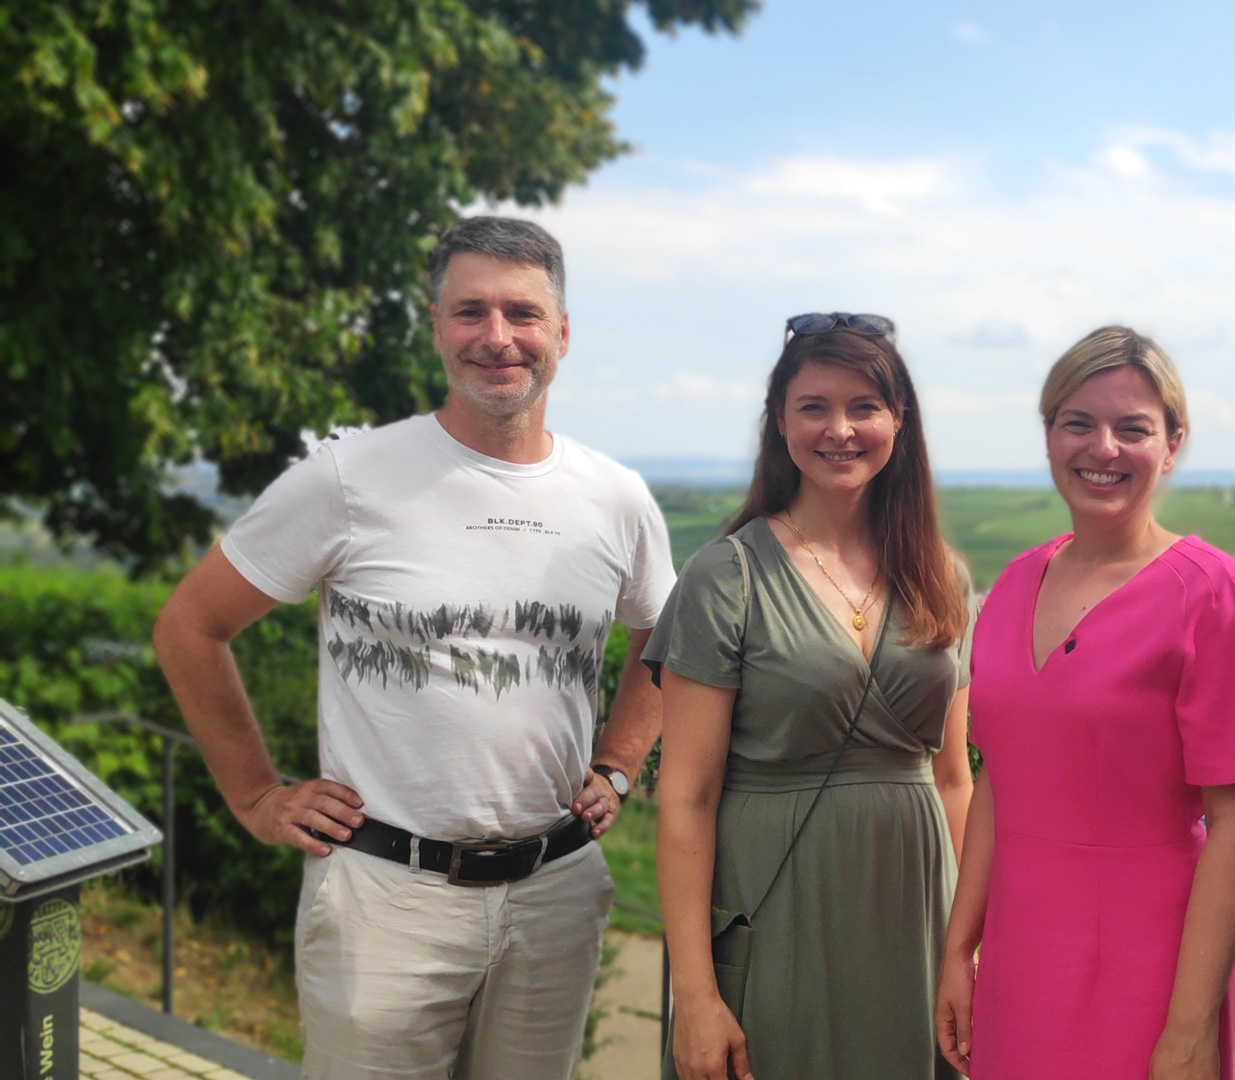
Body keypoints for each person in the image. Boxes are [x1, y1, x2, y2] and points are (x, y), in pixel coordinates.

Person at [151, 216, 675, 1079]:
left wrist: (618, 761)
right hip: (385, 897)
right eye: (470, 311)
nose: (497, 337)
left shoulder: (615, 497)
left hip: (555, 892)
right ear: (436, 327)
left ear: (563, 333)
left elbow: (666, 634)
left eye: (523, 313)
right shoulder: (350, 476)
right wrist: (255, 796)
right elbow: (190, 626)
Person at [937, 326, 1235, 1080]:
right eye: (1079, 423)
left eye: (1133, 428)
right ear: (1049, 436)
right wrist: (959, 952)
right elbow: (1001, 779)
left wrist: (1189, 1031)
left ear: (1171, 445)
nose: (1103, 448)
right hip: (1018, 960)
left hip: (1152, 970)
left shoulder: (1214, 594)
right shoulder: (1010, 588)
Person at [647, 313, 975, 1080]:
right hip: (775, 909)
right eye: (814, 406)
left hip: (916, 913)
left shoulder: (943, 576)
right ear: (779, 421)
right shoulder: (725, 576)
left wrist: (970, 945)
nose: (841, 429)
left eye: (865, 406)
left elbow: (954, 777)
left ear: (900, 420)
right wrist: (694, 995)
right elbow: (687, 798)